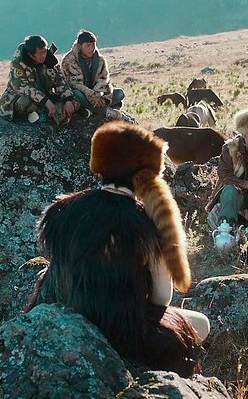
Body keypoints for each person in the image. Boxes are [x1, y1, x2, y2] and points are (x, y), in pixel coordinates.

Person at [23, 121, 209, 377]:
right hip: (122, 332)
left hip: (65, 315)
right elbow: (161, 298)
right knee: (201, 324)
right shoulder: (146, 221)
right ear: (145, 175)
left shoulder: (61, 209)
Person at [0, 34, 81, 125]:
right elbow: (22, 87)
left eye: (45, 51)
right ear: (31, 55)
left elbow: (59, 80)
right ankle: (49, 115)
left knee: (75, 99)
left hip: (46, 96)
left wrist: (67, 100)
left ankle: (51, 115)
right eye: (40, 53)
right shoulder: (18, 64)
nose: (44, 55)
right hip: (24, 98)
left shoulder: (49, 60)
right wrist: (45, 101)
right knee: (25, 102)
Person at [61, 29, 127, 120]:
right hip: (82, 94)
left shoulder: (100, 60)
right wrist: (93, 97)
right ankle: (104, 111)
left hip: (98, 94)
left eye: (93, 45)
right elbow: (74, 84)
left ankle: (90, 110)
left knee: (120, 93)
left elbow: (104, 81)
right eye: (87, 46)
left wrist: (102, 98)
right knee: (77, 94)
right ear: (80, 46)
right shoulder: (69, 60)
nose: (91, 48)